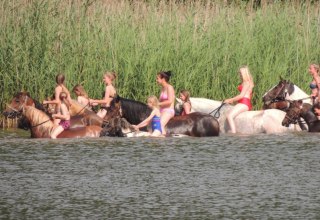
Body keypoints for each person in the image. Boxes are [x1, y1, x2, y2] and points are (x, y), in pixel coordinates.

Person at [224, 65, 254, 133]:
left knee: (229, 116)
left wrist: (230, 100)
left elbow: (241, 95)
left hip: (244, 103)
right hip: (244, 102)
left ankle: (233, 132)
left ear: (243, 74)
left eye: (240, 73)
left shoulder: (246, 83)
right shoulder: (248, 82)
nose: (239, 74)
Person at [156, 71, 175, 135]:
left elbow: (170, 101)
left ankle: (164, 140)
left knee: (160, 125)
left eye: (157, 78)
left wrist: (158, 104)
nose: (156, 80)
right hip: (161, 110)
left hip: (169, 110)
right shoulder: (162, 88)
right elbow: (160, 101)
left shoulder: (169, 87)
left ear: (163, 79)